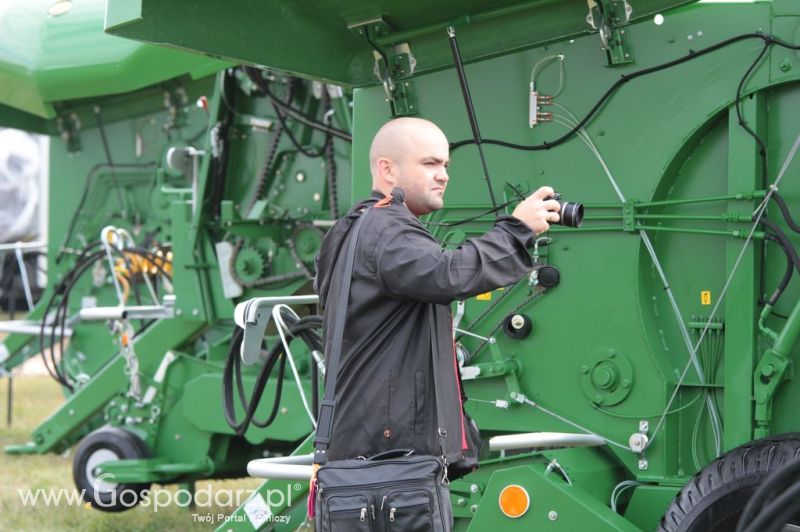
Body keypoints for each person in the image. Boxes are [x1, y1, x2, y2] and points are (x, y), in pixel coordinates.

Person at [313, 117, 560, 479]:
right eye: (429, 163)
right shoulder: (387, 229)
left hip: (370, 444)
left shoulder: (354, 227)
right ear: (387, 169)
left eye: (445, 165)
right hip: (388, 456)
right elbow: (449, 274)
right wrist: (516, 230)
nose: (443, 174)